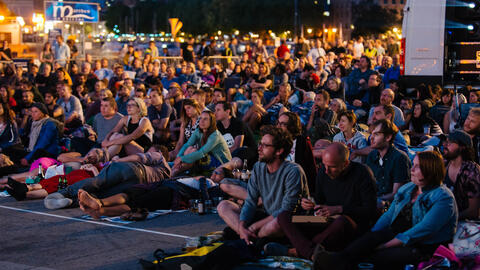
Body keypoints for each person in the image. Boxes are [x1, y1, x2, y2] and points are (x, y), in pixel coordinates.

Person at [314, 151, 458, 270]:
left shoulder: (443, 198)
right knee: (361, 244)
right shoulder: (407, 189)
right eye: (413, 165)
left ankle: (334, 262)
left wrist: (384, 245)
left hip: (422, 246)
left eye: (417, 167)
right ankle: (332, 260)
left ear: (430, 171)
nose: (411, 170)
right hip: (394, 233)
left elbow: (422, 230)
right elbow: (389, 216)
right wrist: (372, 236)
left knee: (377, 256)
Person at [271, 143, 377, 259]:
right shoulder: (323, 172)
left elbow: (370, 211)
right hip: (325, 220)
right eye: (324, 165)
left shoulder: (362, 173)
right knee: (283, 216)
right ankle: (311, 253)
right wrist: (309, 202)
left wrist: (339, 209)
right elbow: (319, 199)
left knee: (342, 222)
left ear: (345, 164)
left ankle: (297, 251)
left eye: (332, 167)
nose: (327, 171)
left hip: (349, 224)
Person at [217, 125, 308, 242]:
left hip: (286, 221)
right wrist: (242, 225)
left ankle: (249, 238)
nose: (259, 148)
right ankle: (247, 236)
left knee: (277, 223)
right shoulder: (258, 167)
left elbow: (287, 209)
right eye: (260, 144)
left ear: (279, 151)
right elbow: (250, 201)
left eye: (265, 146)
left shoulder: (293, 171)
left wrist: (254, 226)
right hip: (266, 216)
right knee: (224, 206)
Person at [44, 145, 171, 209]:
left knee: (99, 183)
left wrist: (117, 162)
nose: (146, 152)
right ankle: (67, 199)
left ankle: (66, 197)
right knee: (103, 194)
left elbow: (138, 157)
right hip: (137, 183)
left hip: (132, 170)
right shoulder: (167, 174)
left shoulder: (158, 156)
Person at [366, 119, 411, 208]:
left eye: (376, 134)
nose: (371, 137)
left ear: (388, 137)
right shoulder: (372, 156)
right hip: (373, 201)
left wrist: (373, 201)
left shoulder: (399, 158)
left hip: (392, 207)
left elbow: (396, 194)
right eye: (372, 133)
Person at [172, 111, 231, 176]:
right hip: (207, 158)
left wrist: (181, 159)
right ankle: (177, 169)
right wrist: (178, 157)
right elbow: (187, 144)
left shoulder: (215, 135)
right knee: (190, 148)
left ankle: (176, 170)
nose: (202, 121)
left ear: (211, 122)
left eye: (205, 119)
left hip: (221, 164)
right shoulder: (198, 131)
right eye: (200, 118)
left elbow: (201, 153)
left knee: (194, 151)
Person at [443, 130, 480, 220]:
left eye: (450, 142)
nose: (445, 145)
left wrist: (448, 218)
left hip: (464, 221)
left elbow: (473, 211)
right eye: (446, 141)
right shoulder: (444, 164)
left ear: (462, 147)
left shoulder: (472, 172)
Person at [277, 112, 317, 192]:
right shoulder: (275, 141)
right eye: (278, 123)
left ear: (292, 126)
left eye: (283, 124)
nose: (278, 126)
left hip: (295, 184)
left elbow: (311, 168)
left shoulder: (302, 142)